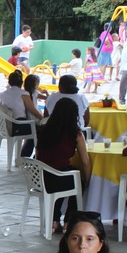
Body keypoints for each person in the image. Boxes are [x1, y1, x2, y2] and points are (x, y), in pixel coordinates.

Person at [34, 97, 90, 233]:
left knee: (62, 177)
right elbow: (85, 161)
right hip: (58, 178)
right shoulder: (75, 134)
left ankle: (54, 220)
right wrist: (88, 180)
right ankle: (69, 221)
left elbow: (38, 154)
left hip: (40, 178)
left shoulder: (43, 131)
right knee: (77, 180)